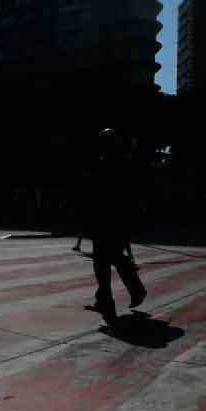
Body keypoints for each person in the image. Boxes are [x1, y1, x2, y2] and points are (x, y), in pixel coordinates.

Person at [84, 127, 147, 325]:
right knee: (113, 258)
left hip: (106, 220)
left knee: (104, 261)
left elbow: (94, 195)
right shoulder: (125, 163)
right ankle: (110, 298)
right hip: (119, 221)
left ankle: (113, 298)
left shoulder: (104, 164)